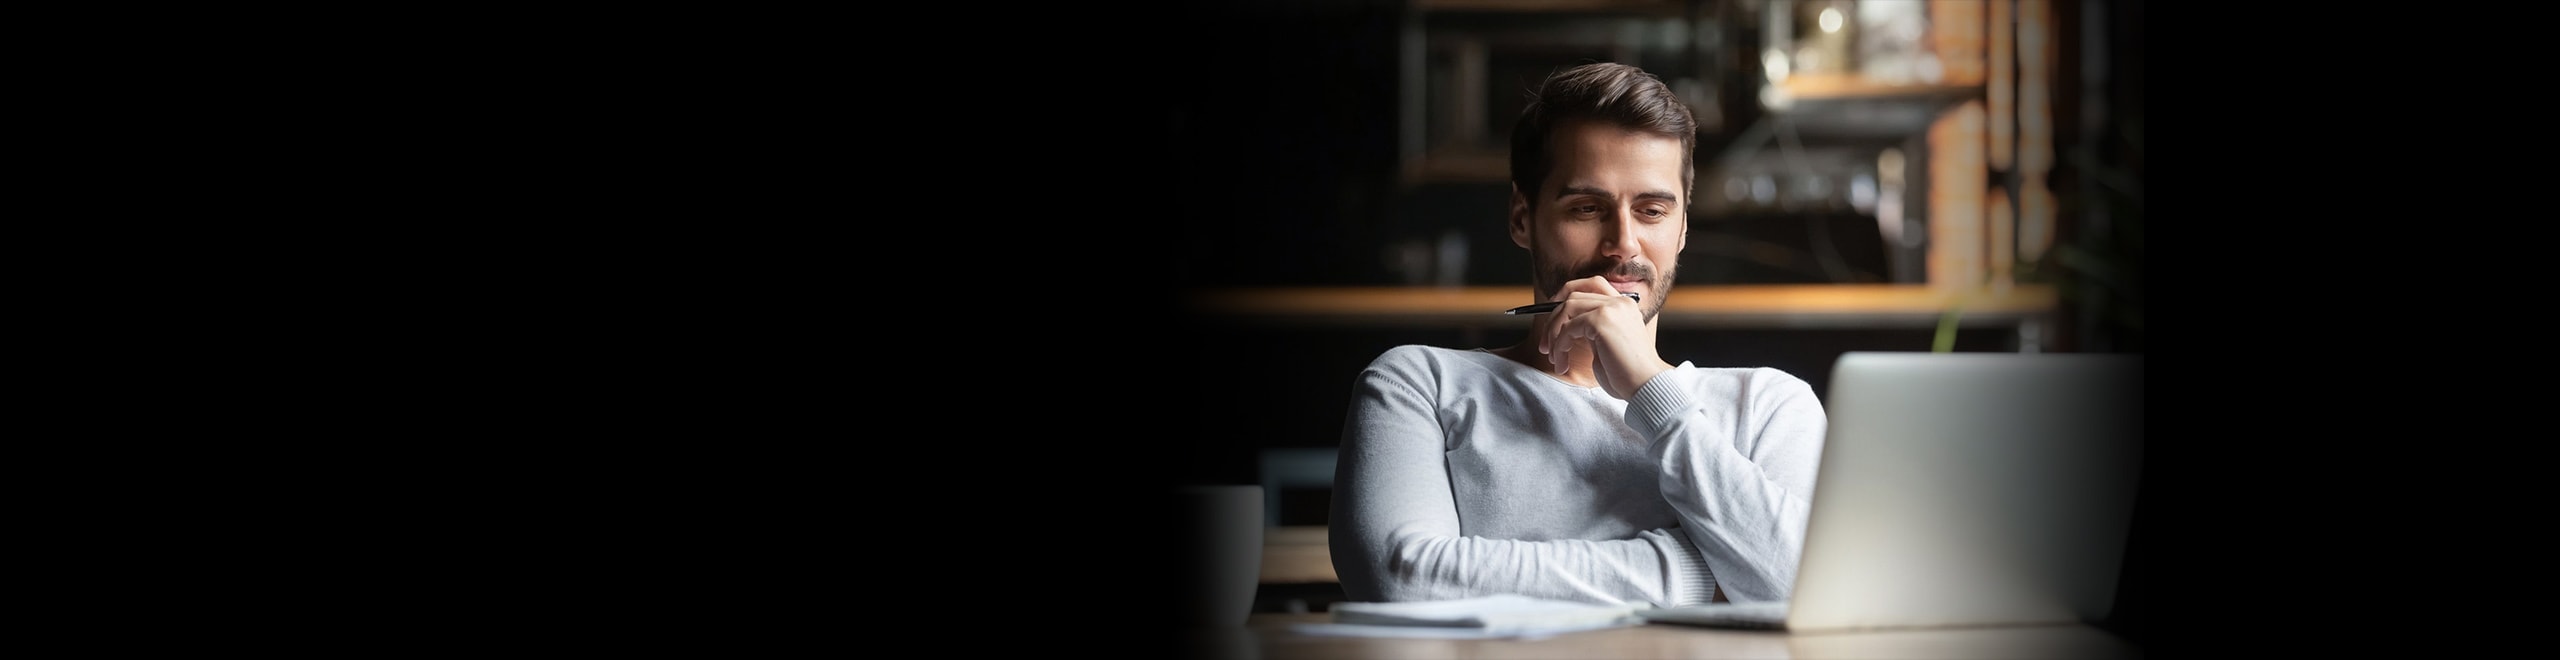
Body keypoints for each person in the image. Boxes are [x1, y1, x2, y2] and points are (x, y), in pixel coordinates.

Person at [1328, 62, 1829, 609]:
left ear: (1683, 227)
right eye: (1587, 209)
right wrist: (1702, 573)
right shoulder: (1418, 383)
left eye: (1652, 210)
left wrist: (1650, 390)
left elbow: (1808, 590)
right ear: (1522, 217)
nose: (1624, 244)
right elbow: (1401, 579)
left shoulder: (1770, 405)